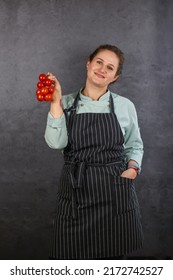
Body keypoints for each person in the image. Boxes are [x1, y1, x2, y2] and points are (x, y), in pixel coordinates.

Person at [44, 44, 144, 260]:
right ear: (88, 64)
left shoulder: (125, 106)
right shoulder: (67, 102)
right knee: (69, 259)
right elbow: (55, 143)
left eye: (110, 67)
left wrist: (133, 169)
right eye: (99, 62)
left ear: (115, 77)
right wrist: (55, 102)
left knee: (112, 260)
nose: (102, 69)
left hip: (114, 191)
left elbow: (134, 144)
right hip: (75, 193)